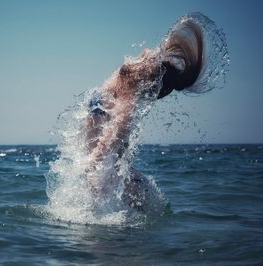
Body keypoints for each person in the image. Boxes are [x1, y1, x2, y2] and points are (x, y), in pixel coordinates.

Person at [84, 19, 204, 209]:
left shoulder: (127, 98)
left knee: (118, 190)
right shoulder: (130, 78)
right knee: (126, 186)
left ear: (146, 80)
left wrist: (93, 162)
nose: (142, 54)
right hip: (112, 158)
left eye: (146, 60)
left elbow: (115, 132)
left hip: (107, 158)